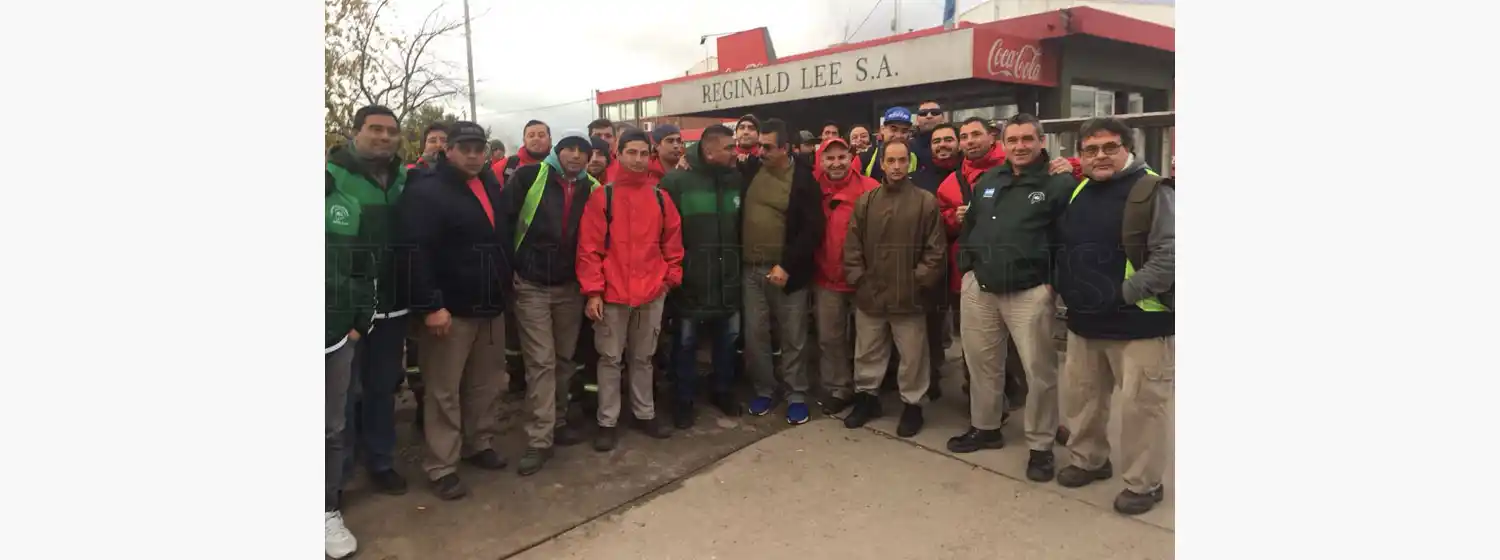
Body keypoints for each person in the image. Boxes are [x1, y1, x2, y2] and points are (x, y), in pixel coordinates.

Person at [946, 114, 1076, 485]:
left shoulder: (1058, 183)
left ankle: (1041, 445)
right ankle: (985, 427)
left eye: (1027, 139)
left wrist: (1050, 285)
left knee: (1040, 372)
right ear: (1003, 143)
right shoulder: (990, 180)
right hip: (981, 288)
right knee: (982, 363)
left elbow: (1070, 239)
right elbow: (970, 225)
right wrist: (968, 267)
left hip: (1029, 292)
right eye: (1013, 140)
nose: (1019, 146)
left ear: (1040, 140)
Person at [1053, 117, 1174, 516]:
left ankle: (1144, 483)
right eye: (1090, 149)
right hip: (1085, 321)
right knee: (1084, 399)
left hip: (1138, 323)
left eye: (1109, 147)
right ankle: (1090, 460)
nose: (1100, 156)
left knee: (1142, 408)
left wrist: (1120, 294)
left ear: (1128, 149)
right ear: (1080, 156)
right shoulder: (1082, 189)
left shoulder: (1152, 190)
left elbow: (1171, 257)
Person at [399, 121, 514, 500]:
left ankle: (478, 443)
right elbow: (416, 252)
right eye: (464, 148)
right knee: (444, 391)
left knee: (486, 383)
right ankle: (442, 465)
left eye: (479, 148)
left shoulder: (490, 186)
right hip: (450, 311)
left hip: (490, 305)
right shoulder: (427, 190)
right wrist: (431, 305)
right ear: (447, 149)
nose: (473, 155)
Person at [577, 129, 685, 450]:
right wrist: (593, 291)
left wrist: (669, 280)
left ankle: (644, 413)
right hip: (612, 295)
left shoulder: (659, 197)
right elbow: (589, 248)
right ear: (619, 154)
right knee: (610, 359)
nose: (637, 160)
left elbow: (673, 244)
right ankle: (607, 420)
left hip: (651, 291)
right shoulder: (602, 197)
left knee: (644, 357)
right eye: (631, 153)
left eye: (642, 154)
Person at [500, 131, 598, 475]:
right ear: (558, 152)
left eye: (581, 151)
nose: (575, 155)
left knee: (563, 359)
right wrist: (509, 272)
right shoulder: (530, 177)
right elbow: (506, 221)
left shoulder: (593, 189)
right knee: (541, 363)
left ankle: (556, 422)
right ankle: (539, 439)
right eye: (569, 149)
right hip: (531, 286)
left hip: (570, 288)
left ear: (589, 159)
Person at [328, 105, 412, 497]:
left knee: (381, 388)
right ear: (356, 131)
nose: (383, 137)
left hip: (393, 302)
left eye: (390, 131)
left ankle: (380, 460)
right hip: (346, 310)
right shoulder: (331, 176)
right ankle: (338, 477)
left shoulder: (403, 178)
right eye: (374, 129)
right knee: (342, 396)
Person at [842, 140, 946, 437]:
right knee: (868, 352)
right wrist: (859, 280)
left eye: (902, 160)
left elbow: (935, 251)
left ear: (909, 163)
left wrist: (916, 281)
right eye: (891, 160)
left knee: (913, 356)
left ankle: (913, 406)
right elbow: (852, 246)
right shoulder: (867, 201)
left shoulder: (925, 201)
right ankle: (867, 399)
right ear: (883, 164)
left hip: (909, 296)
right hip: (870, 294)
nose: (897, 166)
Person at [659, 125, 745, 428]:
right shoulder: (675, 182)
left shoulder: (737, 179)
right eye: (729, 148)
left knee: (728, 339)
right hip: (691, 279)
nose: (736, 152)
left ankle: (722, 390)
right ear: (709, 151)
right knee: (685, 343)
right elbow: (663, 233)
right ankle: (683, 400)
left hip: (728, 278)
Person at [738, 118, 822, 424]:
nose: (761, 151)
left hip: (787, 273)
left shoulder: (803, 180)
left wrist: (787, 265)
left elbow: (812, 230)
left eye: (768, 147)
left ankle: (796, 393)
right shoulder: (749, 171)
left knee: (793, 336)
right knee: (755, 336)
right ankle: (764, 389)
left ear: (785, 148)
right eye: (760, 145)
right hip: (751, 271)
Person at [324, 143, 379, 559]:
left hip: (334, 336)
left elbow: (363, 268)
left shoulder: (343, 205)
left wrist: (359, 322)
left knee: (331, 428)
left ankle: (326, 509)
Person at [810, 137, 880, 416]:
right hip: (825, 277)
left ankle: (867, 391)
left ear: (851, 158)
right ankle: (839, 388)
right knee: (830, 338)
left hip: (863, 278)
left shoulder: (870, 188)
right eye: (830, 158)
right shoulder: (812, 190)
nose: (836, 163)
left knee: (868, 339)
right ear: (821, 160)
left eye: (842, 157)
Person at [497, 120, 554, 396]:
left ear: (550, 139)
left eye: (541, 135)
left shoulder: (563, 169)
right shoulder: (507, 167)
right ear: (524, 139)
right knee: (514, 329)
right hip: (519, 262)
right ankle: (517, 377)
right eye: (531, 135)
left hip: (553, 267)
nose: (536, 139)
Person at [863, 107, 918, 182]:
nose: (898, 135)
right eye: (894, 129)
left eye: (904, 131)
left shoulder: (915, 158)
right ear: (882, 129)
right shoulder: (866, 156)